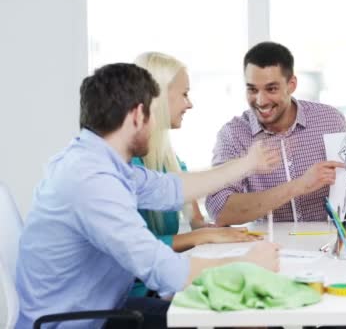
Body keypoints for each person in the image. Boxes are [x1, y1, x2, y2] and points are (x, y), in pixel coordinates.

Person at [15, 63, 281, 329]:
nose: (155, 125)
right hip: (77, 324)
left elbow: (173, 188)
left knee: (237, 315)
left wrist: (247, 164)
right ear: (137, 115)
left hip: (103, 311)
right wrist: (247, 263)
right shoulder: (91, 182)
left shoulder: (103, 164)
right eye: (152, 114)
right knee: (236, 318)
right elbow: (164, 271)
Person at [205, 41, 346, 225]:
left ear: (291, 84)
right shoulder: (233, 134)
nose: (260, 101)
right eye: (252, 89)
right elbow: (219, 210)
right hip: (269, 248)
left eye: (271, 89)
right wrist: (299, 185)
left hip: (327, 243)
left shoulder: (330, 119)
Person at [128, 52, 262, 298]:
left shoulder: (168, 158)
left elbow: (196, 219)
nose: (189, 104)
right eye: (184, 94)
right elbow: (142, 250)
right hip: (139, 294)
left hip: (161, 285)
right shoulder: (129, 165)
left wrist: (228, 234)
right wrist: (205, 235)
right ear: (156, 96)